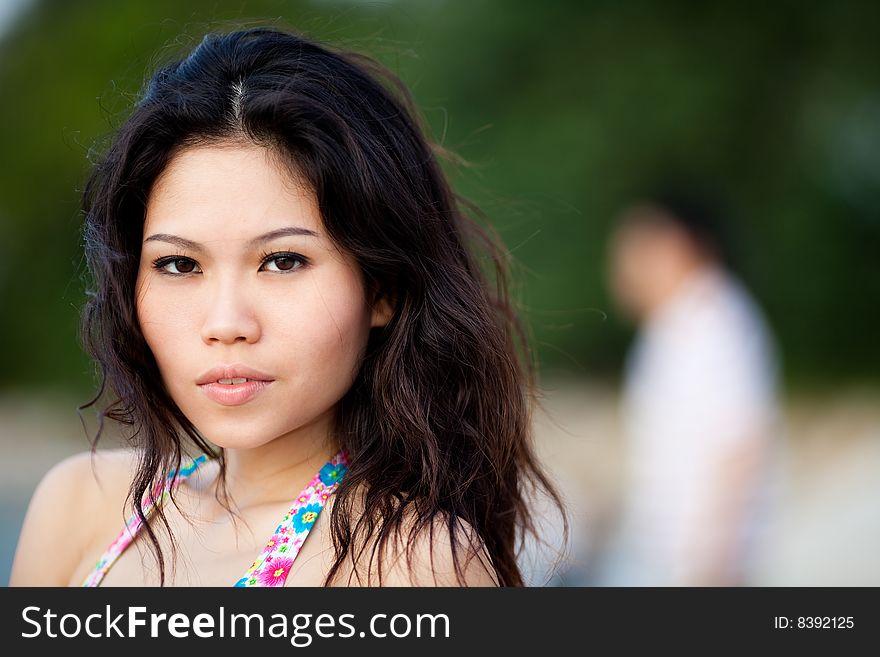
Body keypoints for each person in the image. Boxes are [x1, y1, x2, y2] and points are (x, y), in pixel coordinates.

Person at [9, 27, 563, 587]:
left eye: (282, 261)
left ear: (383, 288)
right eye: (179, 265)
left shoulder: (411, 563)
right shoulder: (79, 507)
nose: (226, 324)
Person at [603, 190, 780, 586]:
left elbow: (740, 447)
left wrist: (714, 568)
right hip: (665, 562)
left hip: (699, 570)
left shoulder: (716, 323)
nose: (621, 268)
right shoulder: (674, 325)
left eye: (634, 249)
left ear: (674, 245)